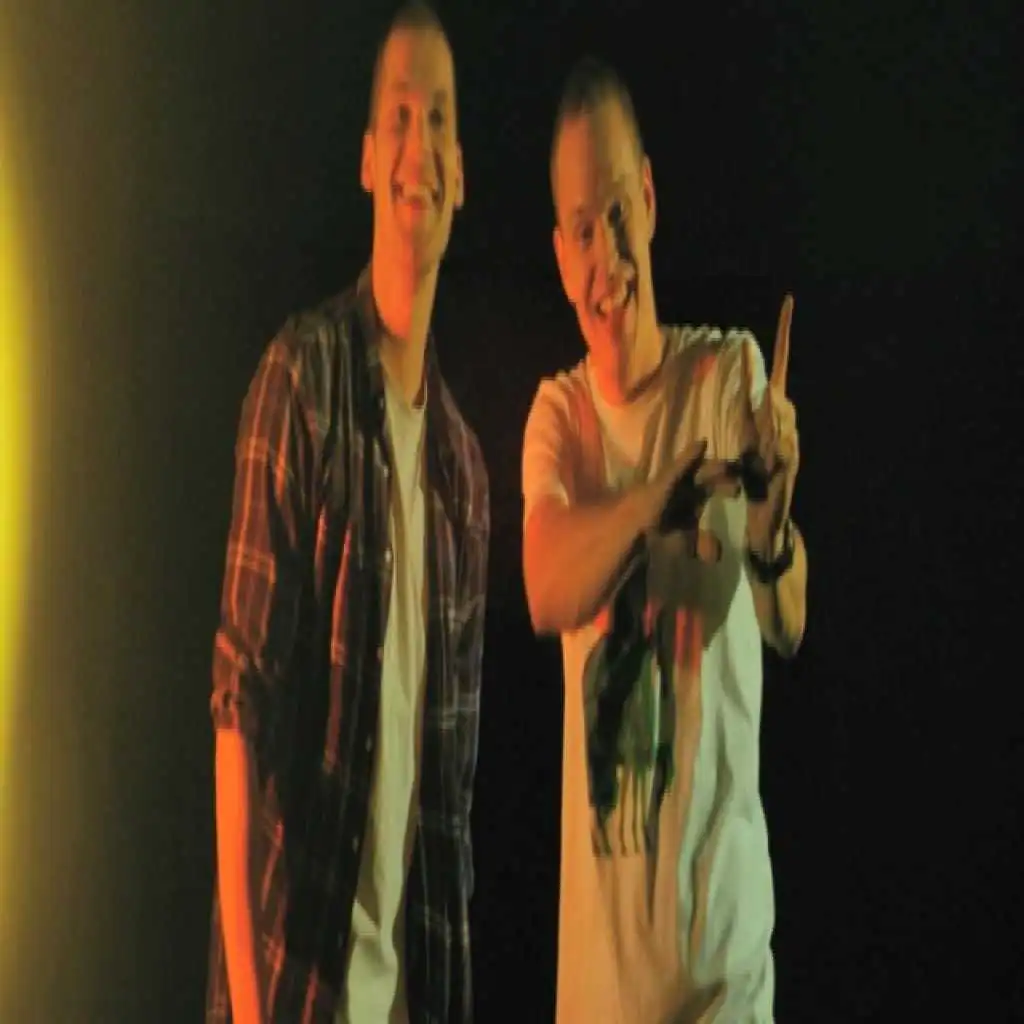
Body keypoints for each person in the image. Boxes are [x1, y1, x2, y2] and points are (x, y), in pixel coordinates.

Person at [205, 5, 489, 1023]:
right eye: (400, 117)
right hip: (294, 995)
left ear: (460, 172)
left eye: (440, 119)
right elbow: (238, 708)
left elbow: (446, 816)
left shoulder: (463, 475)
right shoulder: (303, 380)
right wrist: (250, 1007)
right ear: (370, 160)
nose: (420, 144)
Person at [521, 56, 808, 1023]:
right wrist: (653, 502)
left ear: (648, 200)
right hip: (600, 1001)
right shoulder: (559, 419)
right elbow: (546, 585)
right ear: (561, 255)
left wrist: (769, 527)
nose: (606, 256)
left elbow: (788, 620)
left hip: (724, 989)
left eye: (617, 213)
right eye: (581, 230)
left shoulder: (727, 376)